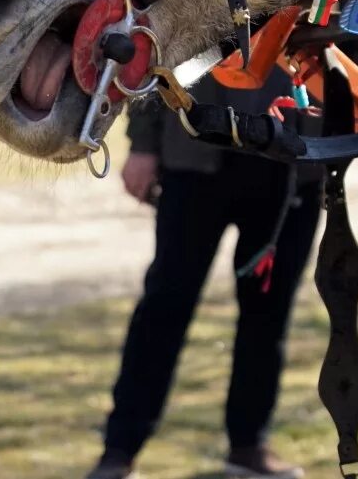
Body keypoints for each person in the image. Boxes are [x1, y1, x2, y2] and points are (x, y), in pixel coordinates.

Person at [87, 65, 321, 479]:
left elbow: (346, 57)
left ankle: (248, 446)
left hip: (289, 166)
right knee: (165, 306)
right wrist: (143, 144)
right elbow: (156, 45)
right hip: (195, 159)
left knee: (268, 315)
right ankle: (119, 451)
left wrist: (341, 144)